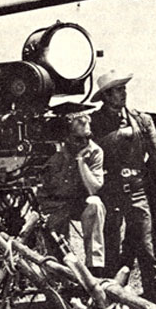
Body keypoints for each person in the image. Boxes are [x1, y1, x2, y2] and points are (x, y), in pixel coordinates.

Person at [90, 70, 156, 309]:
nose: (124, 92)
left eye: (124, 88)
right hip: (109, 195)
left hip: (139, 194)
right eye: (118, 89)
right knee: (110, 258)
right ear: (106, 96)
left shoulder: (143, 120)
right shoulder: (94, 122)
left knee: (149, 258)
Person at [36, 112, 106, 275]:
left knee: (95, 205)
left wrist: (81, 161)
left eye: (87, 137)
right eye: (77, 139)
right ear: (66, 137)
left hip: (78, 202)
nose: (83, 143)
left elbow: (93, 188)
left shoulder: (94, 151)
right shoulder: (51, 151)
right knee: (58, 252)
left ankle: (95, 268)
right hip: (53, 204)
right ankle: (62, 276)